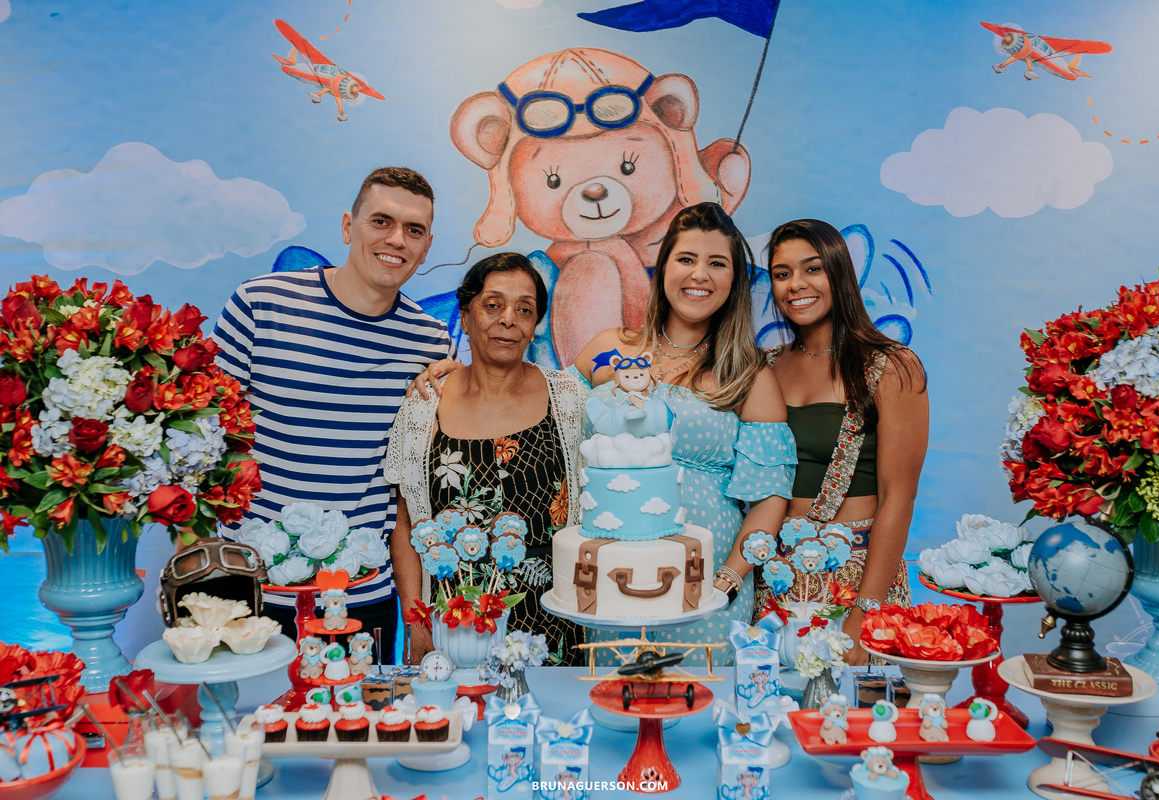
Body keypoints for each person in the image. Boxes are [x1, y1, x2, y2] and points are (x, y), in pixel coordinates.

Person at [212, 166, 456, 663]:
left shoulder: (430, 341)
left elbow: (410, 480)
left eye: (413, 230)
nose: (396, 239)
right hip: (247, 587)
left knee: (355, 715)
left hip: (360, 596)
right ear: (348, 226)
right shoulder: (260, 304)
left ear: (427, 247)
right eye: (380, 221)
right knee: (249, 714)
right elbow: (202, 434)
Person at [571, 202, 796, 664]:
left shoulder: (749, 376)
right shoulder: (609, 349)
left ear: (734, 280)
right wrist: (463, 376)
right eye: (686, 259)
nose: (700, 275)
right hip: (611, 569)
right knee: (613, 696)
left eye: (717, 263)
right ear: (663, 268)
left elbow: (770, 496)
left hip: (703, 583)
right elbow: (542, 407)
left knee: (698, 699)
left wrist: (728, 580)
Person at [385, 253, 588, 665]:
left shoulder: (569, 399)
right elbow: (404, 524)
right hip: (453, 628)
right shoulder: (424, 405)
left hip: (554, 625)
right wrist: (416, 625)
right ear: (465, 317)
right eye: (493, 305)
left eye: (524, 309)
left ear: (535, 325)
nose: (508, 319)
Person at [761, 219, 928, 665]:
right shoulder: (766, 366)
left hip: (856, 575)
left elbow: (899, 496)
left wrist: (865, 611)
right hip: (774, 578)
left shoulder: (892, 365)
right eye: (782, 273)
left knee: (852, 706)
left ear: (839, 273)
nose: (796, 284)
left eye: (812, 269)